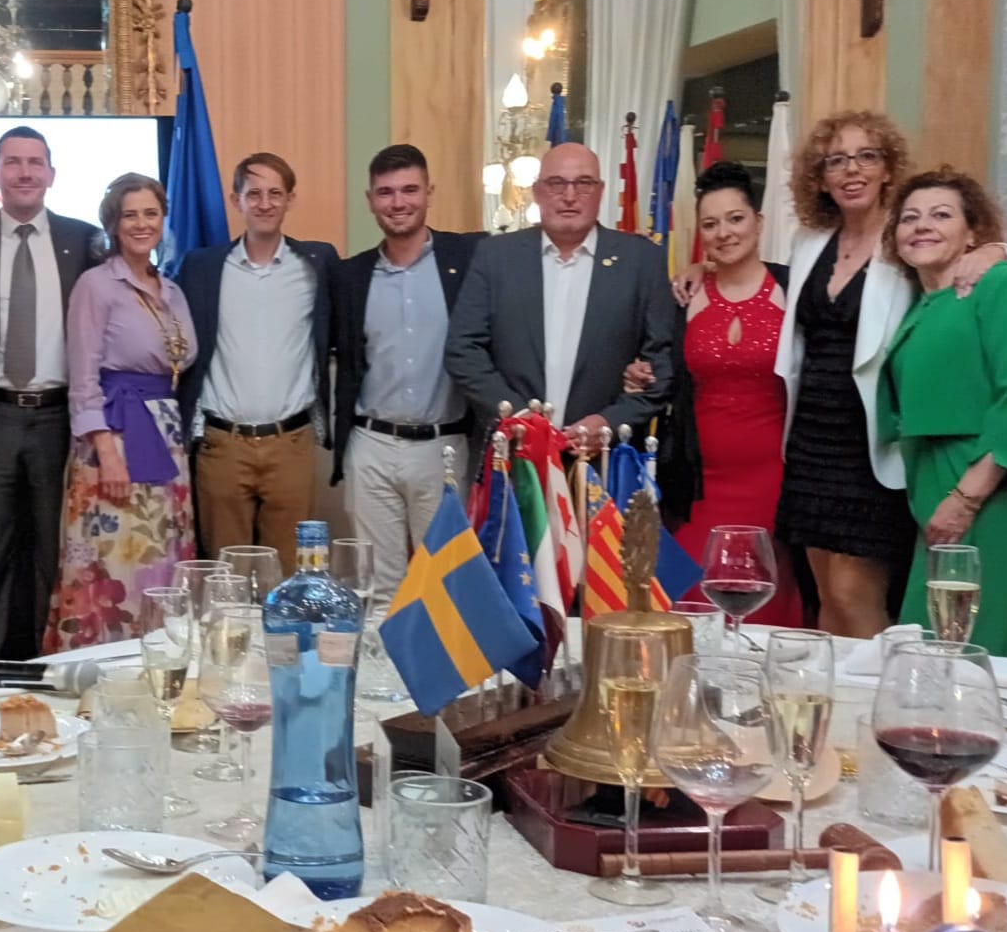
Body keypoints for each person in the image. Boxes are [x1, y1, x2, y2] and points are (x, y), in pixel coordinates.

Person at [766, 112, 1007, 637]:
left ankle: (884, 688)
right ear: (820, 177)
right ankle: (837, 691)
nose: (852, 170)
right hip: (810, 438)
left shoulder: (907, 239)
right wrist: (697, 271)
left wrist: (997, 250)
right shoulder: (810, 241)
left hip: (872, 441)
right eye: (836, 160)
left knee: (856, 594)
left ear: (887, 169)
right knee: (825, 595)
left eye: (866, 157)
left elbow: (974, 258)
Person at [878, 169, 1007, 662]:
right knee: (936, 650)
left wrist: (966, 497)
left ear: (973, 232)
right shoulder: (924, 304)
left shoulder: (998, 284)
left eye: (941, 215)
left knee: (989, 650)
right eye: (909, 218)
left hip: (996, 488)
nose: (922, 225)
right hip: (941, 487)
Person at [0, 126, 102, 659]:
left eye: (35, 162)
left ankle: (51, 664)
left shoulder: (84, 241)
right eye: (12, 162)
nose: (24, 172)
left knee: (57, 554)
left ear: (52, 174)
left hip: (61, 421)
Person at [633, 162, 802, 625]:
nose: (724, 232)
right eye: (710, 224)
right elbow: (660, 370)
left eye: (735, 218)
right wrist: (639, 374)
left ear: (758, 222)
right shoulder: (683, 297)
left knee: (766, 604)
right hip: (699, 486)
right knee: (690, 606)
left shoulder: (793, 290)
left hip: (774, 484)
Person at [43, 174, 198, 649]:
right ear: (113, 224)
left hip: (166, 439)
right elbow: (83, 376)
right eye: (130, 215)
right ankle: (103, 664)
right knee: (112, 560)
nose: (141, 223)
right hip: (114, 438)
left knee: (160, 558)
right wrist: (107, 452)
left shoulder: (171, 291)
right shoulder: (96, 285)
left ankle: (159, 658)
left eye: (151, 213)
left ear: (163, 219)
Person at [443, 142, 672, 454]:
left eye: (584, 183)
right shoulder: (495, 256)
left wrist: (610, 422)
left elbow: (660, 365)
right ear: (537, 192)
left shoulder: (642, 261)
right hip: (515, 455)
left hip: (603, 458)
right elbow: (463, 349)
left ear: (601, 191)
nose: (569, 196)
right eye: (556, 183)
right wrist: (515, 416)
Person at [332, 144, 479, 601]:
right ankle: (384, 653)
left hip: (444, 447)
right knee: (379, 591)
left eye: (410, 190)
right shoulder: (350, 276)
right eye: (386, 192)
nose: (398, 202)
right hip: (371, 446)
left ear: (429, 192)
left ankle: (443, 655)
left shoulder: (470, 259)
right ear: (370, 200)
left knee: (445, 587)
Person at [177, 152, 338, 566]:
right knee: (225, 574)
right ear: (237, 201)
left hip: (291, 445)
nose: (265, 203)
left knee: (288, 575)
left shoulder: (317, 265)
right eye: (254, 194)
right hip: (222, 446)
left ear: (290, 199)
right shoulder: (201, 268)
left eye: (275, 193)